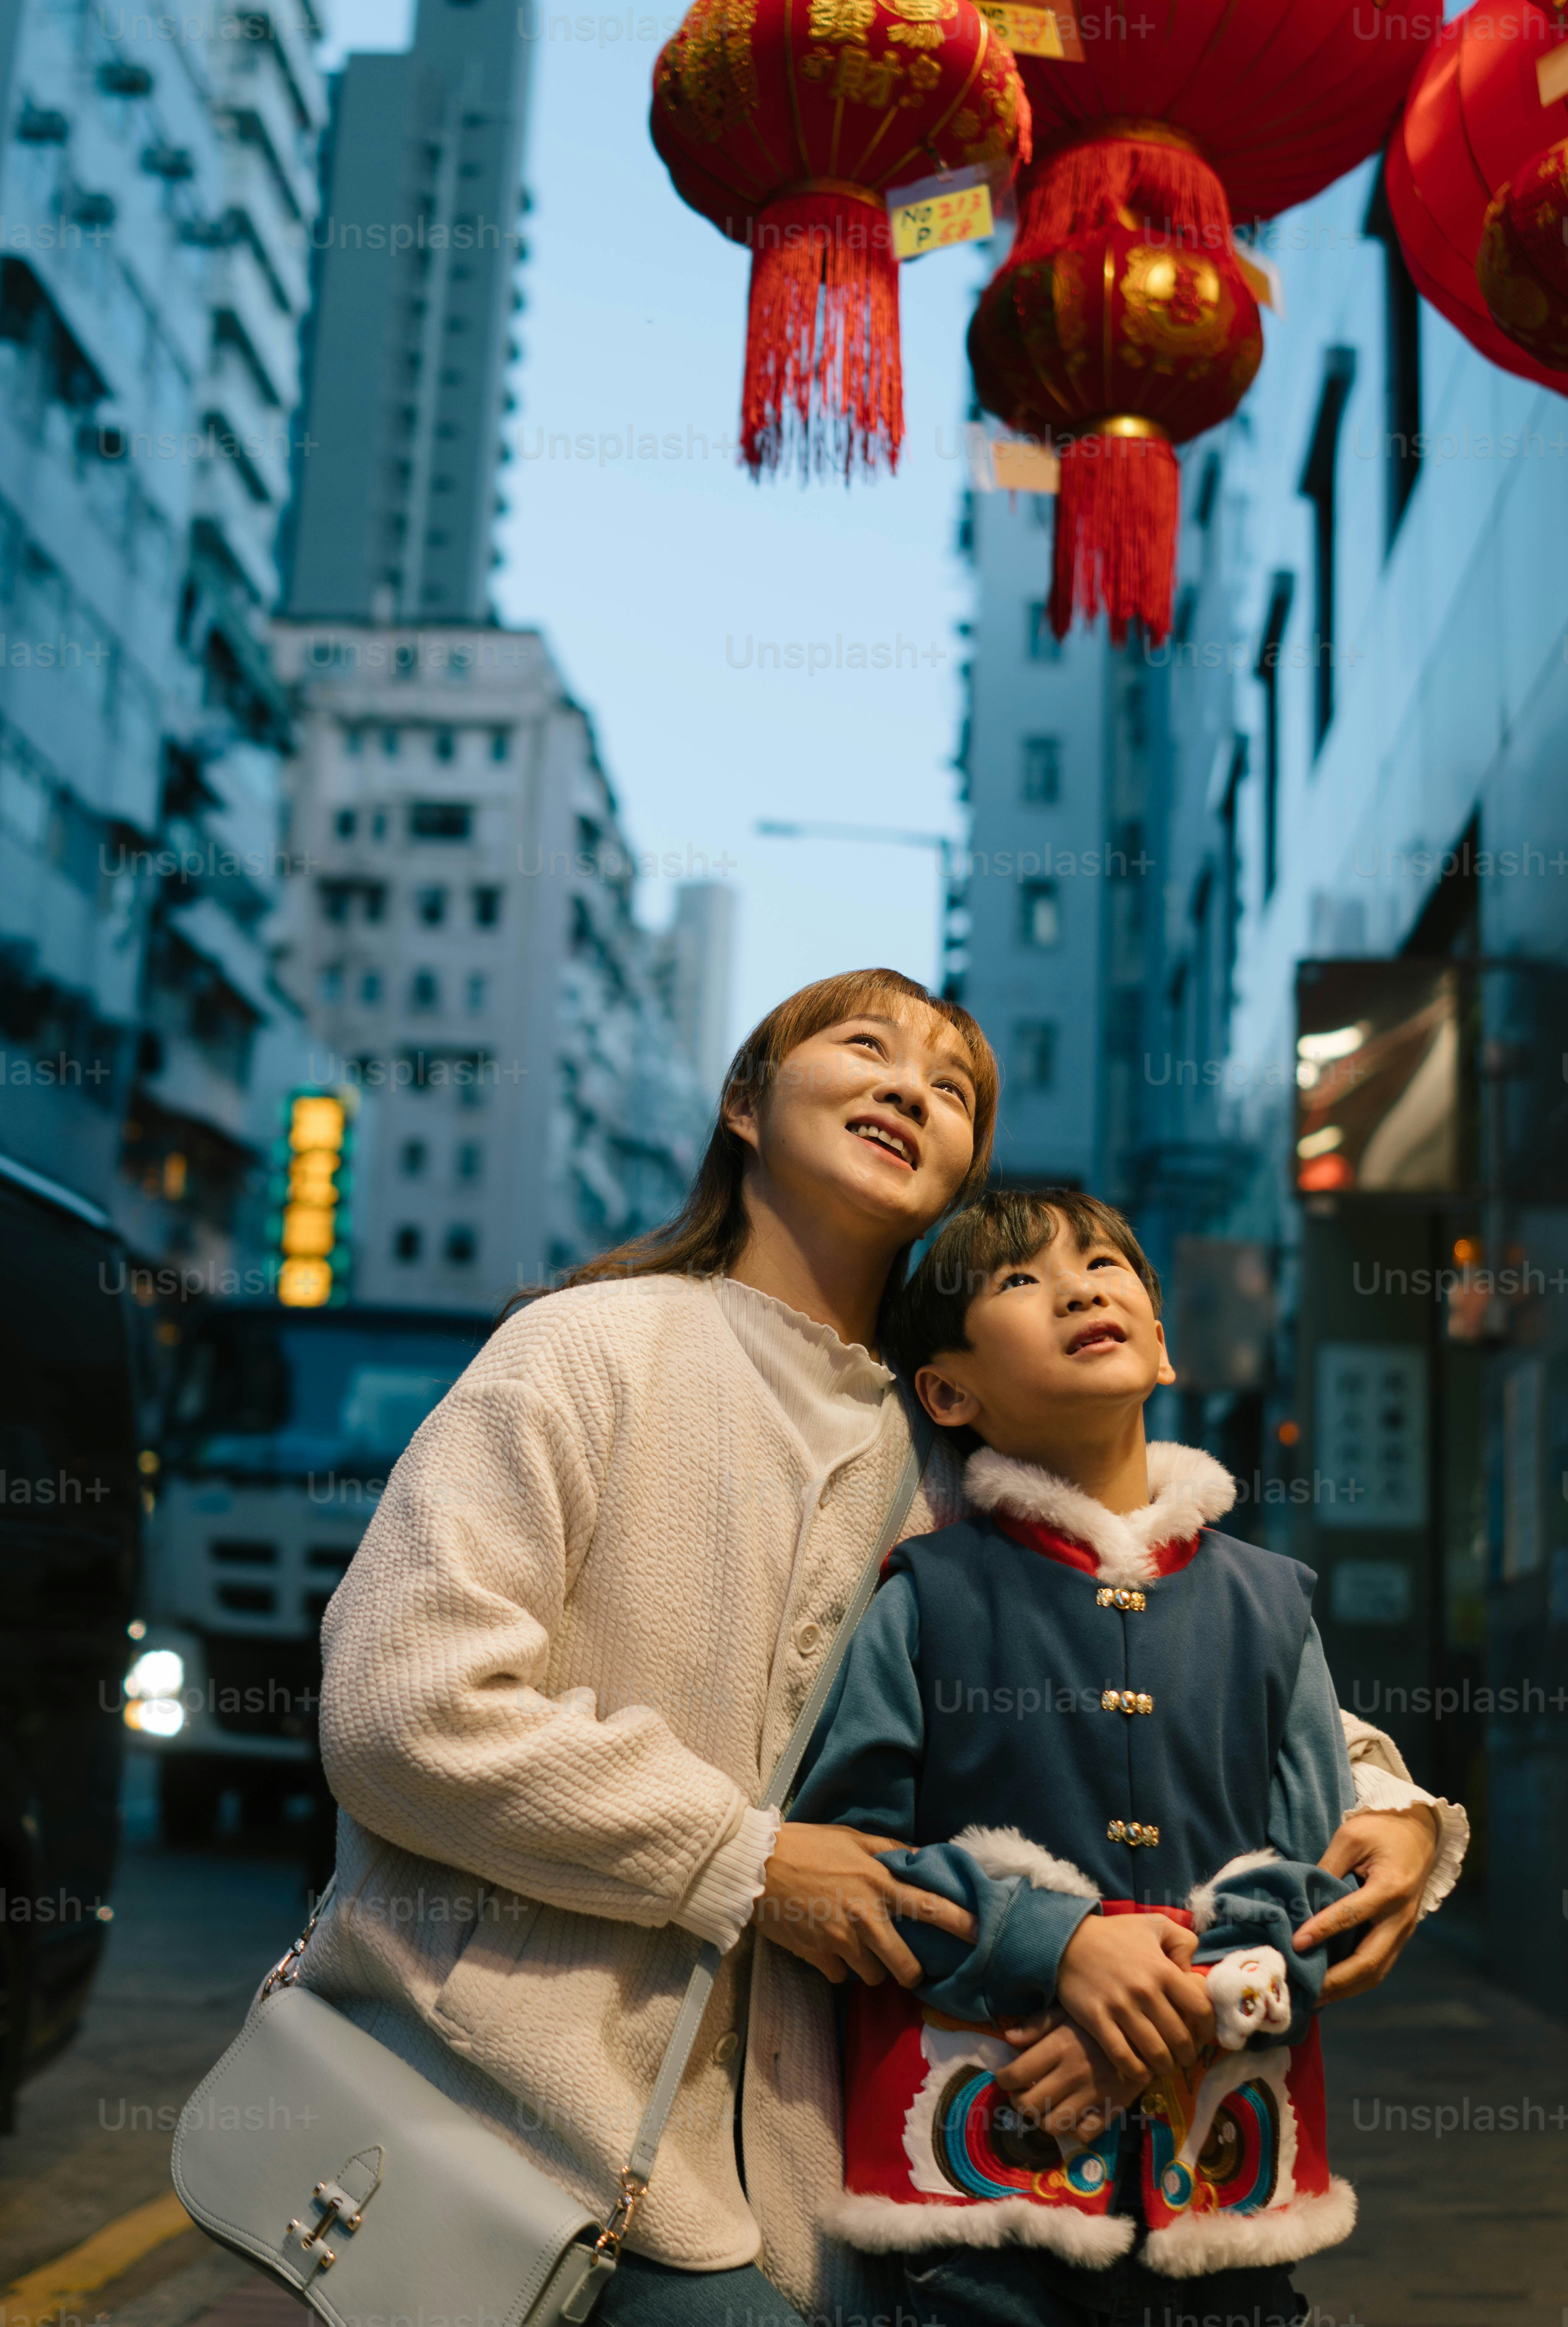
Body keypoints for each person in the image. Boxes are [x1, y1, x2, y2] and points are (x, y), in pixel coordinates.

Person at [305, 969, 1460, 2327]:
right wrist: (743, 1861)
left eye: (955, 1087)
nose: (913, 1089)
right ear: (744, 1102)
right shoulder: (585, 1351)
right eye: (866, 1049)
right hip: (524, 2106)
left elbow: (1176, 1630)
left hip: (841, 2184)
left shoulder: (966, 1457)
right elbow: (402, 1710)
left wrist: (1385, 1807)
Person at [793, 1186, 1452, 2327]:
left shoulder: (1268, 1603)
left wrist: (1193, 2004)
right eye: (1018, 1279)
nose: (1082, 1285)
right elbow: (846, 1864)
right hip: (985, 2185)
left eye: (1107, 1265)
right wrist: (1048, 1949)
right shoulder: (928, 1599)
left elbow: (1319, 1872)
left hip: (1224, 2195)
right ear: (947, 1391)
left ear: (1160, 1341)